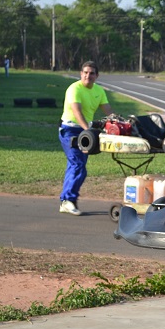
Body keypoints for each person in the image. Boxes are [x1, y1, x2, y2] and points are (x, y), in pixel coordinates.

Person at [58, 61, 112, 215]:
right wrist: (89, 130)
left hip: (84, 132)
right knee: (78, 166)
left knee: (75, 165)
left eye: (92, 73)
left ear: (97, 75)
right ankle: (68, 200)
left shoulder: (99, 91)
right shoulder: (74, 89)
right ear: (81, 74)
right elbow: (77, 112)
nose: (88, 75)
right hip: (70, 130)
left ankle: (66, 201)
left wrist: (121, 122)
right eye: (85, 72)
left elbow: (108, 111)